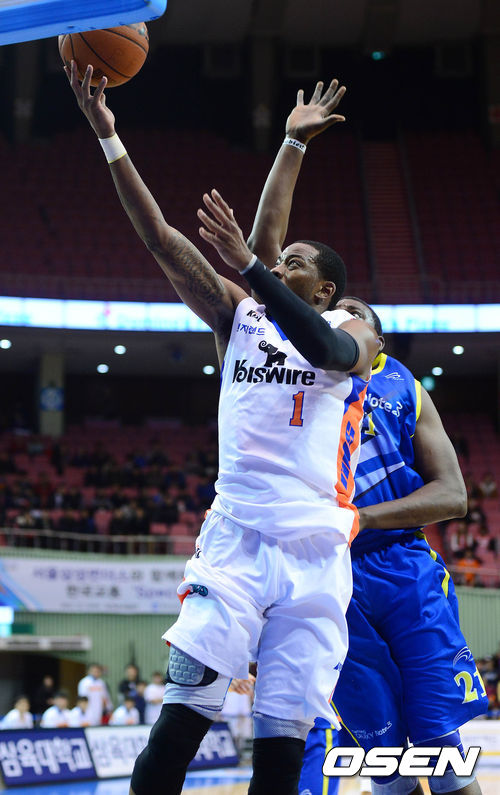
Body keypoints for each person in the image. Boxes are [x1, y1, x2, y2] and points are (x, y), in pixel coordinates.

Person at [66, 63, 380, 795]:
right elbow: (159, 237)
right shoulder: (239, 315)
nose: (276, 261)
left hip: (316, 554)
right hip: (236, 540)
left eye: (293, 262)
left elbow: (327, 350)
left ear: (325, 288)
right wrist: (109, 137)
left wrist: (252, 262)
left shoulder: (355, 325)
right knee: (179, 723)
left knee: (281, 747)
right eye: (276, 259)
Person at [246, 81, 487, 795]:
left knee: (441, 745)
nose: (341, 320)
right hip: (329, 576)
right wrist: (292, 143)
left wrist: (358, 518)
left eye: (355, 313)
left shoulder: (405, 386)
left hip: (400, 565)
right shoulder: (299, 367)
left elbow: (453, 496)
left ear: (374, 335)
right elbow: (262, 263)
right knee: (381, 750)